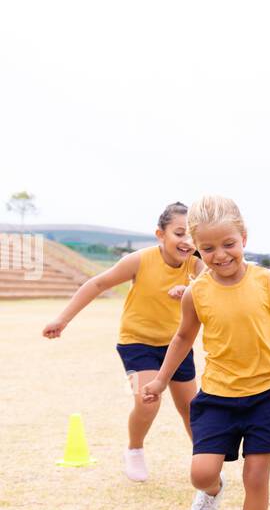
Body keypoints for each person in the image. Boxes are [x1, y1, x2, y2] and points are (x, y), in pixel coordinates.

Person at [142, 196, 270, 510]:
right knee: (201, 472)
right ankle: (211, 492)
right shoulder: (197, 292)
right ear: (196, 247)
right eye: (208, 248)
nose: (220, 254)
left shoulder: (268, 281)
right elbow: (181, 338)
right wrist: (159, 380)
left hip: (267, 395)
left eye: (229, 244)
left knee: (257, 475)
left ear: (244, 237)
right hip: (218, 399)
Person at [42, 204, 202, 481]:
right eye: (179, 233)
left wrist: (190, 290)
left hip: (177, 344)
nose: (187, 242)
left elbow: (211, 289)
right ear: (160, 235)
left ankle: (203, 463)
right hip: (137, 343)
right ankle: (135, 449)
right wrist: (62, 320)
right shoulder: (139, 260)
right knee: (148, 400)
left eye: (192, 235)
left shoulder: (198, 265)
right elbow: (97, 284)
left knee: (191, 408)